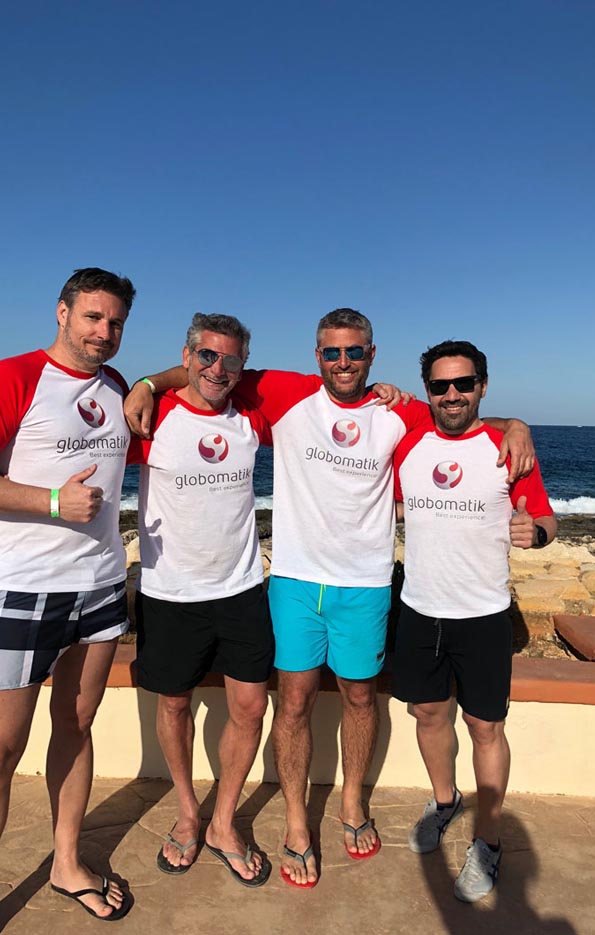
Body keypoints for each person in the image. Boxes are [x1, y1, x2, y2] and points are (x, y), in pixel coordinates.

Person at [123, 309, 534, 888]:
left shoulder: (396, 411)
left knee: (360, 698)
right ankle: (296, 824)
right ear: (317, 356)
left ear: (371, 354)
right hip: (293, 581)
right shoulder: (284, 394)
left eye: (355, 351)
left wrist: (515, 423)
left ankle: (352, 804)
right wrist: (147, 383)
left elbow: (458, 416)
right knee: (291, 702)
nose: (344, 362)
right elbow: (208, 372)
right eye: (332, 352)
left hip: (365, 584)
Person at [0, 268, 136, 931]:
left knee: (76, 726)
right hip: (24, 592)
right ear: (62, 312)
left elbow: (169, 386)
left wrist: (154, 381)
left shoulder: (118, 386)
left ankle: (66, 863)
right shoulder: (13, 376)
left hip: (102, 587)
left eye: (115, 322)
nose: (104, 332)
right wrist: (53, 501)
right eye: (92, 316)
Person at [392, 339, 557, 903]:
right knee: (428, 714)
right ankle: (444, 802)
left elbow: (547, 518)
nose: (452, 395)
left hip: (484, 615)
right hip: (419, 609)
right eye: (440, 386)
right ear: (428, 391)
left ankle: (487, 840)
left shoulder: (507, 448)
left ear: (482, 386)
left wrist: (535, 534)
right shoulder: (408, 442)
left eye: (463, 383)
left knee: (485, 728)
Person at [129, 314, 273, 887]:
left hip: (241, 588)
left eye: (230, 359)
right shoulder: (152, 415)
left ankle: (223, 822)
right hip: (170, 592)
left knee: (251, 708)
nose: (218, 368)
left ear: (243, 366)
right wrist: (146, 383)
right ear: (186, 356)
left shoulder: (253, 416)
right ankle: (188, 813)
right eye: (206, 356)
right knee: (173, 706)